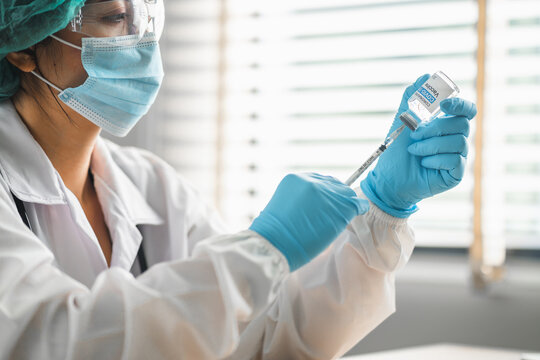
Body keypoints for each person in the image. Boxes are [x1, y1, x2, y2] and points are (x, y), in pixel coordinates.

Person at [0, 0, 477, 359]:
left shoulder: (152, 187)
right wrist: (262, 249)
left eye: (143, 15)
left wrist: (382, 206)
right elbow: (60, 342)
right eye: (112, 18)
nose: (141, 42)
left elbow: (266, 340)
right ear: (23, 45)